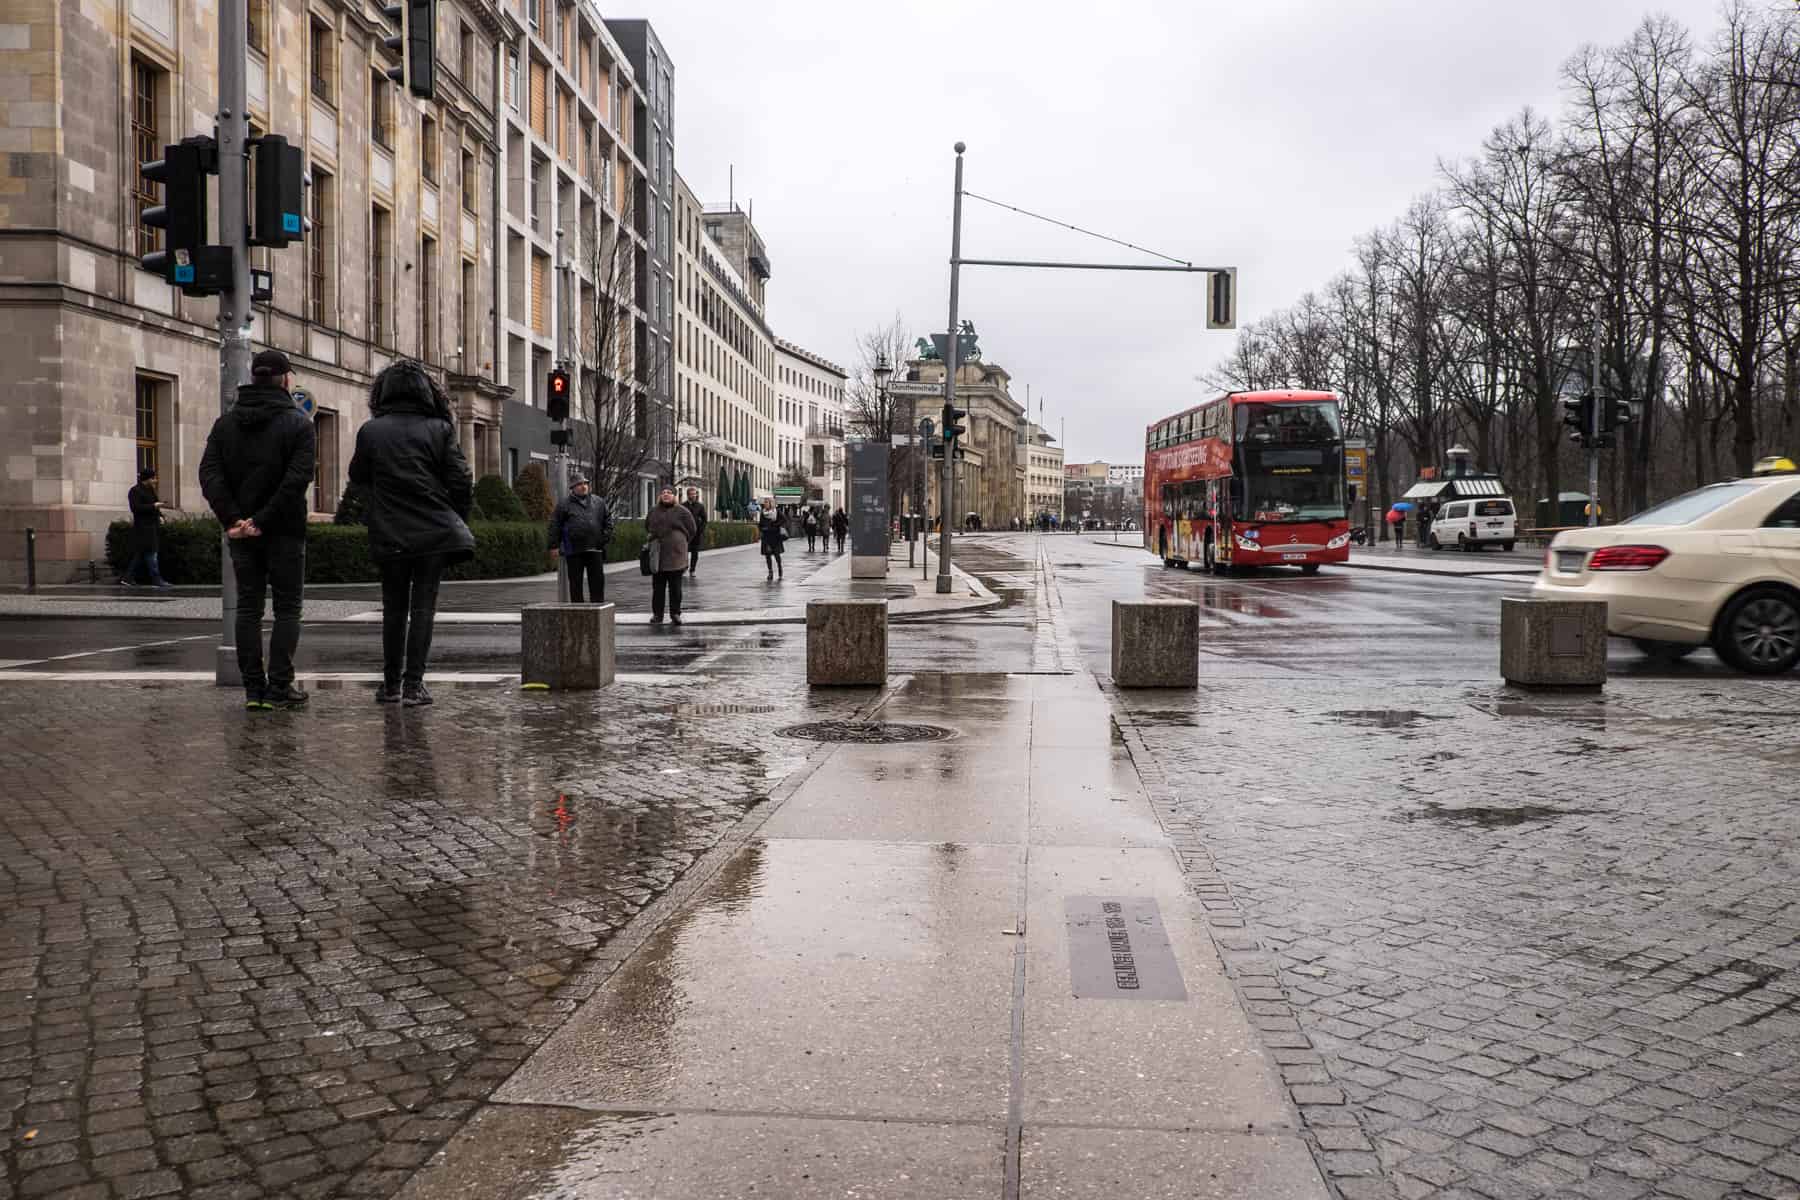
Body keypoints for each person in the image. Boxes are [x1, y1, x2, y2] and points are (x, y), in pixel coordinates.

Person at [349, 361, 476, 707]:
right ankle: (413, 685)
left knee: (393, 609)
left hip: (389, 531)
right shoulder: (439, 429)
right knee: (422, 609)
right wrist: (455, 517)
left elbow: (358, 477)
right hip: (433, 532)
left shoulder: (371, 431)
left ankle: (390, 685)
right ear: (426, 392)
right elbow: (461, 480)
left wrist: (376, 508)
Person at [198, 348, 316, 710]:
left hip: (240, 534)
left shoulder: (225, 424)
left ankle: (254, 691)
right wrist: (260, 521)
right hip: (283, 530)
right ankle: (280, 687)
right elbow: (297, 480)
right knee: (287, 609)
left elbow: (210, 474)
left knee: (248, 608)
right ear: (284, 380)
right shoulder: (299, 424)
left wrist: (233, 519)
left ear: (253, 377)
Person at [548, 475, 613, 606]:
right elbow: (555, 525)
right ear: (573, 488)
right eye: (579, 484)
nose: (583, 486)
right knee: (575, 584)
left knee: (597, 582)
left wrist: (603, 538)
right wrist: (553, 545)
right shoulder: (564, 505)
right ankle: (578, 612)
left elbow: (609, 521)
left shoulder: (599, 502)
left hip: (595, 549)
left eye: (585, 483)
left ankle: (597, 610)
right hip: (574, 550)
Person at [645, 487, 697, 626]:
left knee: (675, 588)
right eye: (663, 493)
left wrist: (681, 542)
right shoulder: (653, 511)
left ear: (674, 496)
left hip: (676, 555)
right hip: (659, 555)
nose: (666, 495)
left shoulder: (682, 511)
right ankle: (657, 614)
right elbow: (647, 526)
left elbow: (692, 530)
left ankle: (675, 613)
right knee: (658, 588)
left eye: (669, 493)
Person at [120, 467, 172, 589]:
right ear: (147, 479)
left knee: (142, 553)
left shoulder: (150, 490)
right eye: (153, 478)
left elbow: (155, 505)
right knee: (151, 553)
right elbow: (136, 508)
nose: (155, 480)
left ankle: (128, 578)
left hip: (152, 526)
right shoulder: (135, 491)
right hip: (143, 528)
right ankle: (157, 580)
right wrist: (153, 506)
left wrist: (160, 516)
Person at [683, 487, 709, 577]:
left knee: (695, 553)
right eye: (691, 494)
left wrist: (700, 530)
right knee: (683, 552)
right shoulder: (683, 506)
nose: (693, 496)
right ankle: (684, 567)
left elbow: (704, 519)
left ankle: (692, 570)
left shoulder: (700, 506)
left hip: (696, 534)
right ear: (688, 495)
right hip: (685, 534)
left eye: (694, 494)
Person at [760, 510, 789, 581]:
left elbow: (784, 520)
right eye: (765, 502)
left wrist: (776, 524)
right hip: (766, 536)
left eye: (767, 502)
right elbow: (760, 524)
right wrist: (762, 528)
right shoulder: (763, 513)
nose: (765, 504)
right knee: (768, 555)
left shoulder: (777, 512)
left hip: (775, 536)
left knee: (777, 555)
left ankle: (780, 568)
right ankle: (770, 572)